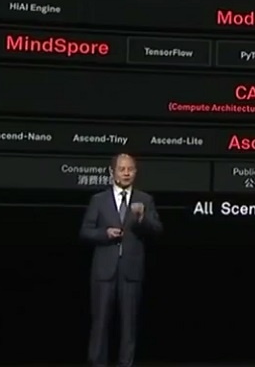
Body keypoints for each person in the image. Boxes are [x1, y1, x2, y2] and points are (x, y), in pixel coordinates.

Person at [80, 153, 163, 367]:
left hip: (131, 271)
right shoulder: (99, 200)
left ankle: (126, 363)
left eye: (130, 169)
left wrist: (141, 219)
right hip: (104, 271)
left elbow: (157, 230)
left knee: (129, 325)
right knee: (100, 323)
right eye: (122, 169)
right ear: (112, 172)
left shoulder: (145, 200)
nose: (126, 173)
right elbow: (85, 231)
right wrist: (104, 233)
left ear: (135, 172)